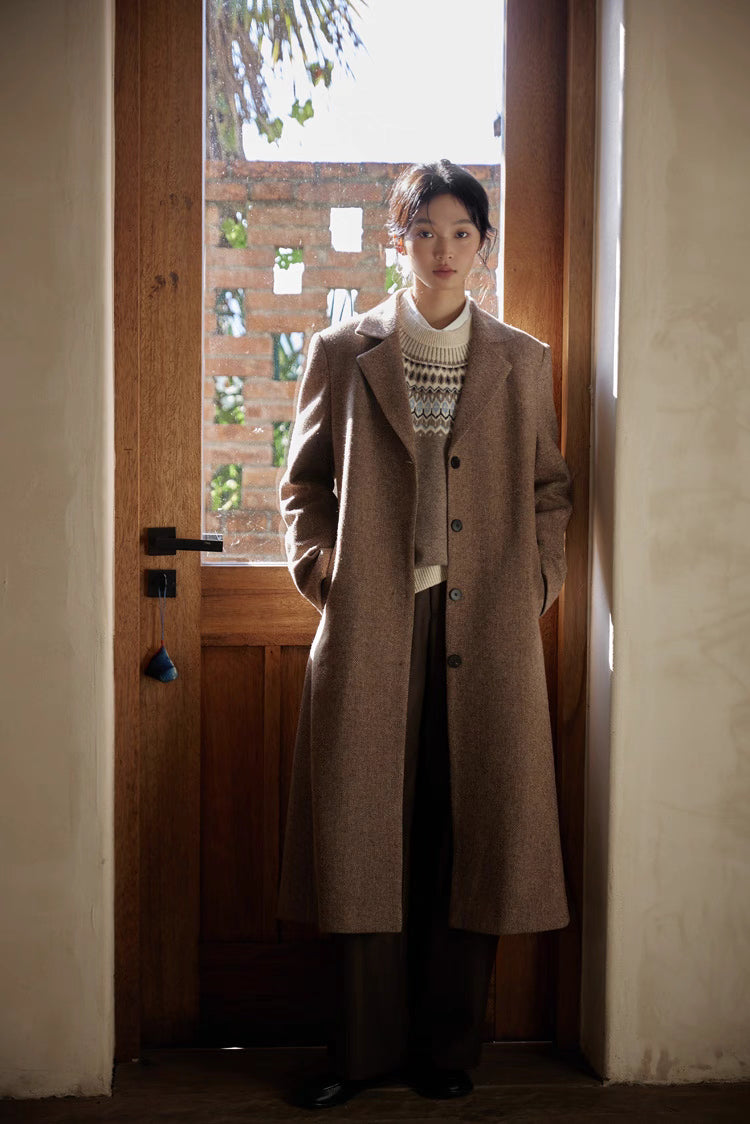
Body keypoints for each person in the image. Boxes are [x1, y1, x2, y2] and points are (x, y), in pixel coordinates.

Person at [276, 159, 573, 1110]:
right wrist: (328, 576)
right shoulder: (340, 349)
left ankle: (448, 1050)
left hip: (485, 630)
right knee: (365, 839)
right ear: (397, 241)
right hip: (371, 628)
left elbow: (550, 491)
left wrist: (532, 583)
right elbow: (303, 487)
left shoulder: (522, 361)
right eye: (425, 231)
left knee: (470, 832)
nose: (442, 249)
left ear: (482, 245)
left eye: (461, 231)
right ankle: (357, 1056)